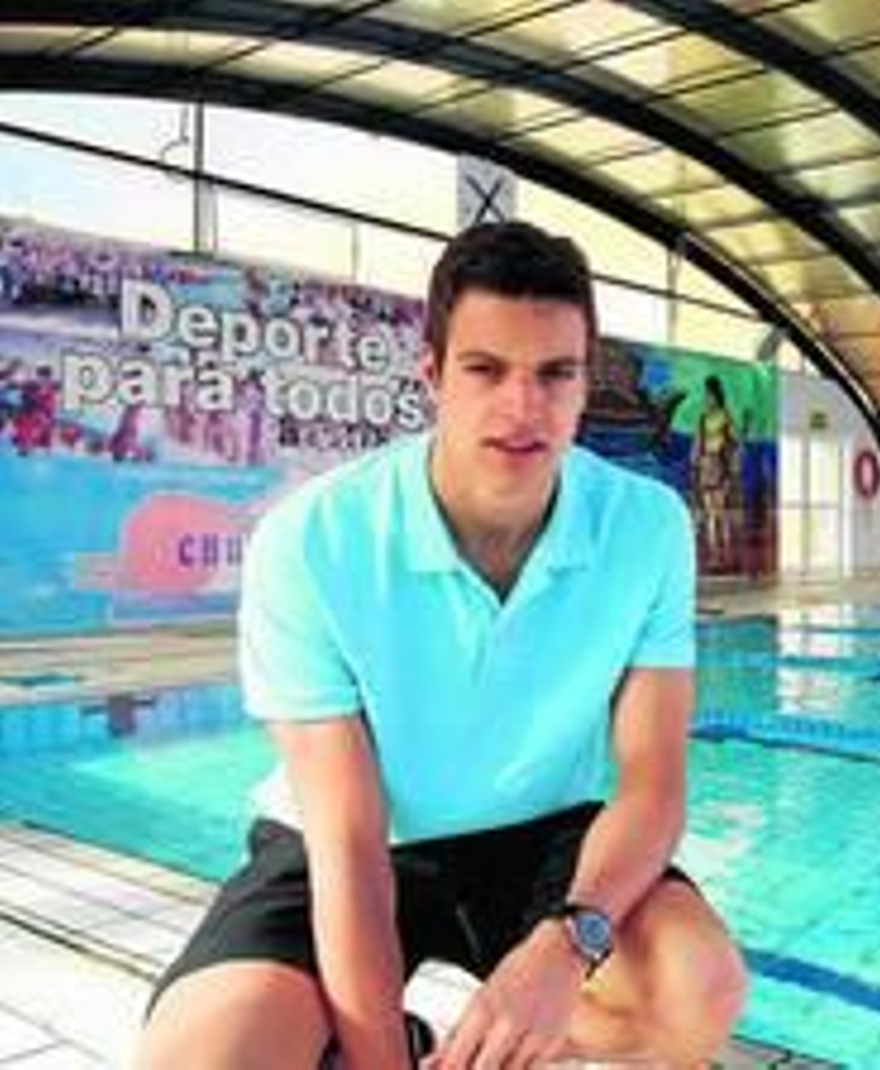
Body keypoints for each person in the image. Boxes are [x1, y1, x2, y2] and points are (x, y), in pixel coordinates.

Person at [138, 221, 747, 1069]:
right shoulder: (315, 541)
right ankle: (406, 1041)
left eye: (554, 374)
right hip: (352, 844)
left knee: (699, 991)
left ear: (584, 381)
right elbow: (349, 846)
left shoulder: (647, 526)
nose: (522, 408)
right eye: (486, 370)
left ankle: (491, 1034)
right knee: (204, 1057)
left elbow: (652, 784)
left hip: (544, 837)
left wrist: (567, 949)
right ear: (433, 375)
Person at [690, 374, 739, 571]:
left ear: (716, 395)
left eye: (709, 394)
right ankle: (714, 557)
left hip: (719, 464)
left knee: (721, 513)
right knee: (710, 514)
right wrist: (695, 460)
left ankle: (726, 554)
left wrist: (731, 468)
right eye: (705, 395)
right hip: (706, 465)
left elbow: (733, 442)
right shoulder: (703, 418)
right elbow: (698, 442)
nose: (707, 398)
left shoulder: (724, 415)